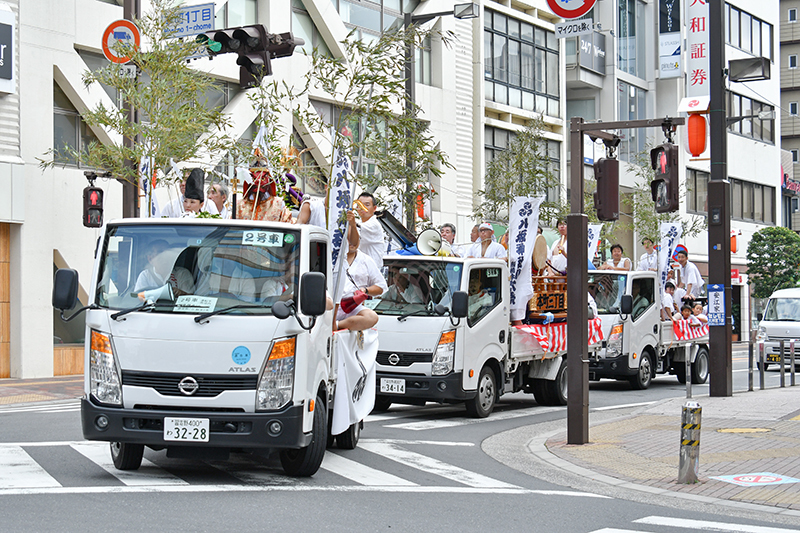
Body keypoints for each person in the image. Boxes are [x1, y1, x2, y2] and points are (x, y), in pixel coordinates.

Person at [335, 240, 388, 331]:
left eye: (355, 238)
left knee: (371, 317)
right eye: (349, 239)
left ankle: (337, 325)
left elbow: (381, 287)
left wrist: (365, 290)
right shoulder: (331, 257)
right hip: (331, 305)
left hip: (353, 306)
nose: (352, 242)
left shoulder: (366, 260)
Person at [354, 192, 386, 270]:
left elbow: (355, 228)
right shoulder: (362, 224)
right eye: (360, 205)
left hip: (372, 271)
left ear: (374, 208)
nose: (363, 208)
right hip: (362, 270)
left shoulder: (374, 225)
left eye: (367, 205)